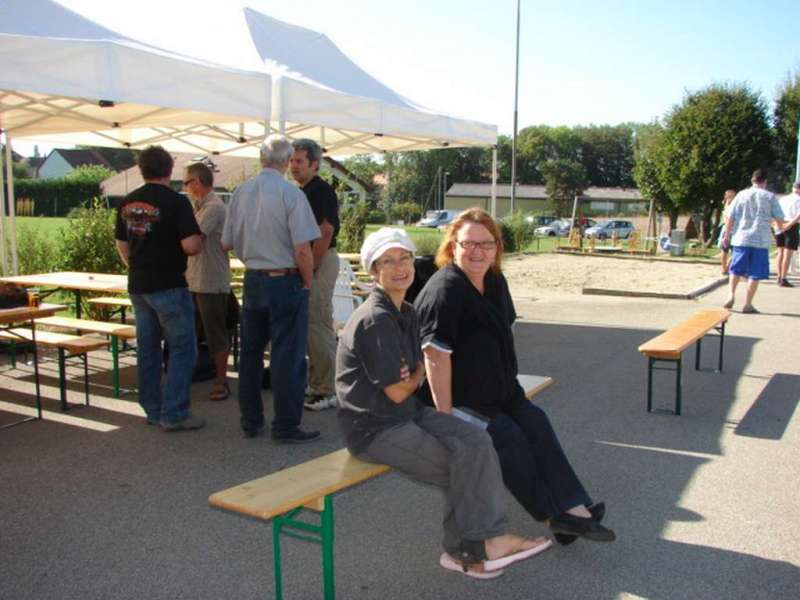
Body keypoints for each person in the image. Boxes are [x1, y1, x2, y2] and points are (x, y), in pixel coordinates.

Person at [336, 227, 552, 578]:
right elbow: (396, 390)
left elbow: (410, 379)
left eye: (404, 258)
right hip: (375, 427)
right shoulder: (375, 319)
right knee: (460, 465)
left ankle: (471, 547)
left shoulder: (405, 310)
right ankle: (479, 544)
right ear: (373, 272)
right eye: (387, 262)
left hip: (409, 412)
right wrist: (415, 374)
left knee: (478, 441)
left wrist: (413, 374)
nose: (399, 267)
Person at [414, 208, 615, 545]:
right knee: (506, 436)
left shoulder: (494, 281)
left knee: (535, 421)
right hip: (456, 398)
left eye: (486, 244)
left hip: (498, 390)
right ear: (452, 246)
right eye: (468, 244)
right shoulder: (445, 290)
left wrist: (510, 389)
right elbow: (435, 358)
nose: (477, 251)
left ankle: (572, 508)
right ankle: (559, 515)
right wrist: (445, 419)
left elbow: (503, 334)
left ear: (497, 247)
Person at [222, 134, 322, 443]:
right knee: (287, 356)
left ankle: (251, 420)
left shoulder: (241, 192)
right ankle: (285, 426)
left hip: (253, 278)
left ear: (262, 158)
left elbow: (225, 242)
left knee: (250, 354)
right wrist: (306, 280)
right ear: (287, 159)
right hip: (285, 278)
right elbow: (303, 248)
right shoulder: (291, 195)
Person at [114, 145, 204, 431]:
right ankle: (174, 412)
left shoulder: (128, 201)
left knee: (148, 349)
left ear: (142, 169)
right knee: (182, 348)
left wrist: (137, 265)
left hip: (138, 284)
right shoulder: (176, 202)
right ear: (169, 169)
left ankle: (152, 408)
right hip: (168, 284)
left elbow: (122, 245)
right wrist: (199, 241)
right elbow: (190, 245)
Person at [290, 139, 340, 411]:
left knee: (317, 323)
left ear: (314, 164)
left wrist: (312, 268)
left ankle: (327, 389)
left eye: (299, 161)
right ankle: (318, 381)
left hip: (320, 261)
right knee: (311, 325)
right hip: (312, 262)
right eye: (292, 161)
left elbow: (325, 232)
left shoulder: (320, 191)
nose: (293, 166)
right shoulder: (304, 191)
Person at [183, 162, 232, 401]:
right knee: (194, 330)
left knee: (215, 332)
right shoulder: (200, 207)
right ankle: (196, 372)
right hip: (196, 279)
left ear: (198, 183)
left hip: (211, 280)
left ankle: (222, 381)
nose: (185, 187)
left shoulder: (213, 208)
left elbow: (193, 238)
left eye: (187, 182)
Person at [722, 169, 785, 313]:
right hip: (761, 241)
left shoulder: (741, 195)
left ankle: (731, 294)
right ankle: (748, 303)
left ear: (752, 180)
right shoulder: (770, 197)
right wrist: (780, 228)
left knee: (736, 270)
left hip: (741, 238)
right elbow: (779, 218)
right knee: (755, 273)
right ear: (765, 181)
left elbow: (730, 216)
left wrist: (727, 234)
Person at [774, 181, 800, 287]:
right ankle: (783, 278)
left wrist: (778, 224)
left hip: (779, 224)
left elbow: (776, 212)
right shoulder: (798, 199)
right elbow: (798, 215)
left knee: (780, 252)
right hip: (791, 225)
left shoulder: (783, 199)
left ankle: (779, 276)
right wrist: (789, 224)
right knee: (787, 255)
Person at [717, 190, 737, 275]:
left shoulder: (728, 206)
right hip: (731, 231)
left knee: (727, 250)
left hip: (729, 231)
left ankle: (725, 267)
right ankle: (725, 267)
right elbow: (727, 220)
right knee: (731, 251)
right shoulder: (730, 207)